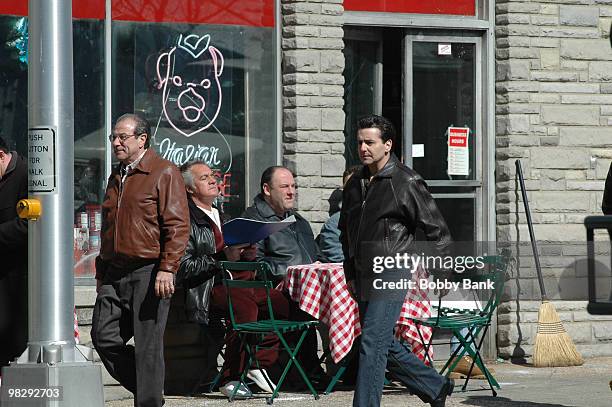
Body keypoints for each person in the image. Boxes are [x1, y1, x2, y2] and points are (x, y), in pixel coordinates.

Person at [339, 115, 454, 407]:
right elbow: (347, 232)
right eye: (360, 142)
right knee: (381, 344)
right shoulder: (354, 184)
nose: (363, 148)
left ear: (387, 145)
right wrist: (350, 272)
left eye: (370, 142)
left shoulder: (406, 181)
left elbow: (437, 230)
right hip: (364, 272)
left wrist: (443, 274)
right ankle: (435, 386)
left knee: (372, 343)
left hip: (392, 268)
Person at [91, 113, 189, 407]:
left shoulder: (163, 172)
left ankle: (148, 399)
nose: (116, 142)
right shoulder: (117, 175)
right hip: (115, 271)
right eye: (113, 138)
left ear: (142, 139)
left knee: (147, 347)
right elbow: (109, 228)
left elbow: (177, 226)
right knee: (102, 335)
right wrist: (101, 270)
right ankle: (150, 389)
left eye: (123, 137)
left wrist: (167, 268)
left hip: (149, 271)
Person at [177, 160, 289, 396]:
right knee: (243, 306)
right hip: (208, 287)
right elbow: (184, 267)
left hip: (239, 281)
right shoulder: (185, 220)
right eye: (203, 177)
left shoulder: (224, 215)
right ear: (188, 188)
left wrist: (248, 251)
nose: (212, 180)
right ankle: (231, 377)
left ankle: (257, 363)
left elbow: (240, 258)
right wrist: (220, 257)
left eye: (213, 176)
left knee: (280, 303)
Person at [242, 166, 319, 282]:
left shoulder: (300, 221)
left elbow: (318, 256)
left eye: (293, 186)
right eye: (284, 187)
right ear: (267, 189)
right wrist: (296, 272)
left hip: (311, 292)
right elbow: (254, 268)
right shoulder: (253, 221)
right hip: (277, 295)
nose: (291, 192)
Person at [0, 136, 28, 374]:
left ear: (1, 155)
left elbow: (29, 226)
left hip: (18, 281)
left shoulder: (27, 176)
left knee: (14, 343)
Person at [318, 166, 361, 263]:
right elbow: (338, 265)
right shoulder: (334, 225)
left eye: (355, 186)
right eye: (347, 187)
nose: (351, 192)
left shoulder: (379, 217)